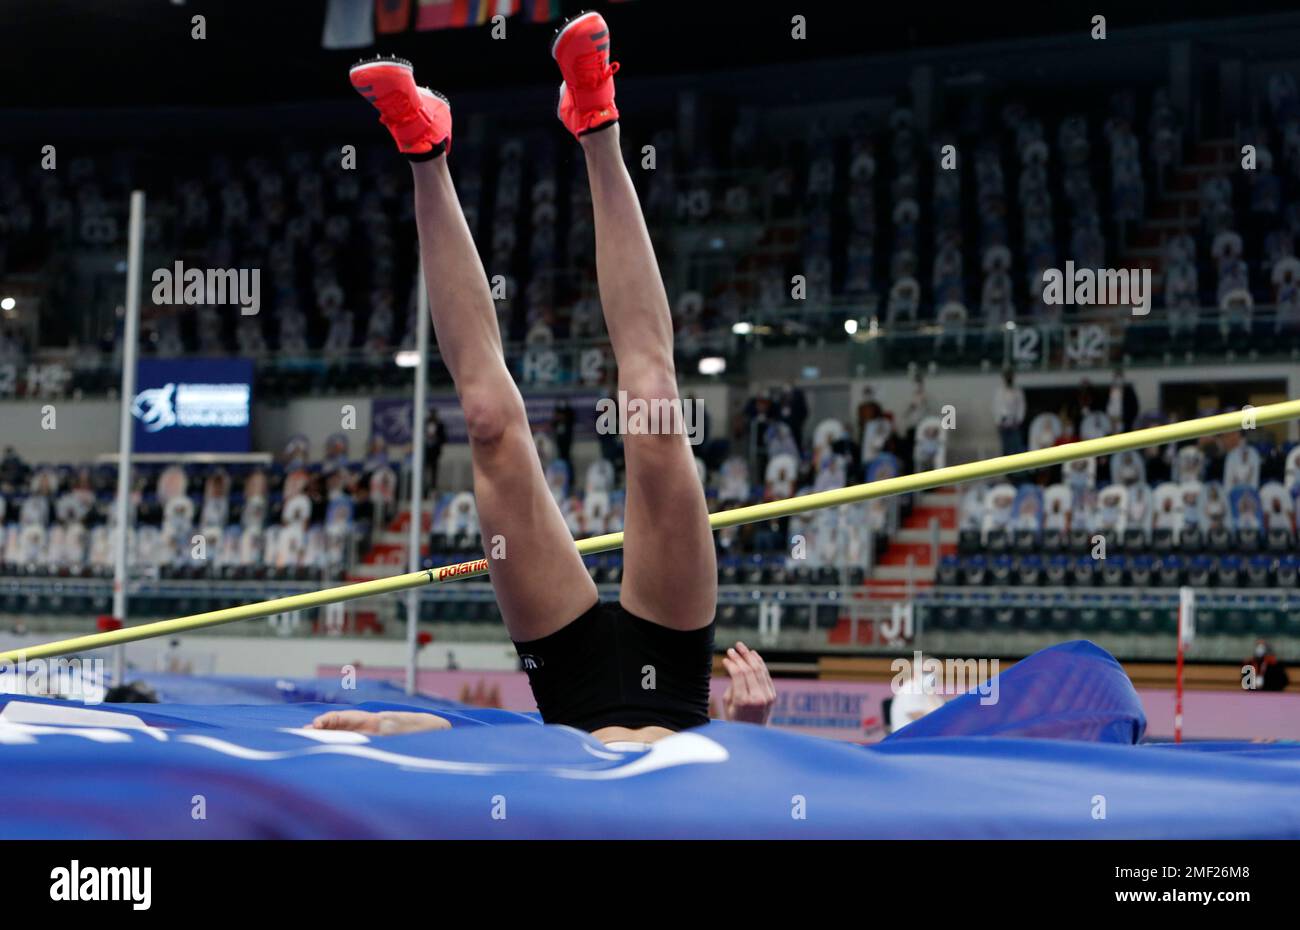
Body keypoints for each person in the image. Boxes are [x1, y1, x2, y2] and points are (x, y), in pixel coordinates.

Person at [319, 12, 724, 749]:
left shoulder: (553, 811)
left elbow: (495, 736)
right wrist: (751, 731)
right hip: (676, 671)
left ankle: (424, 147)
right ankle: (595, 121)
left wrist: (392, 724)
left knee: (484, 422)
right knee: (656, 407)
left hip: (566, 694)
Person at [993, 368, 1026, 456]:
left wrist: (1019, 420)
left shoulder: (1017, 391)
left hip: (1014, 422)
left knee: (1016, 446)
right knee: (1005, 447)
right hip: (1003, 422)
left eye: (1010, 377)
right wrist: (998, 421)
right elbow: (996, 406)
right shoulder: (1000, 391)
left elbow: (1021, 406)